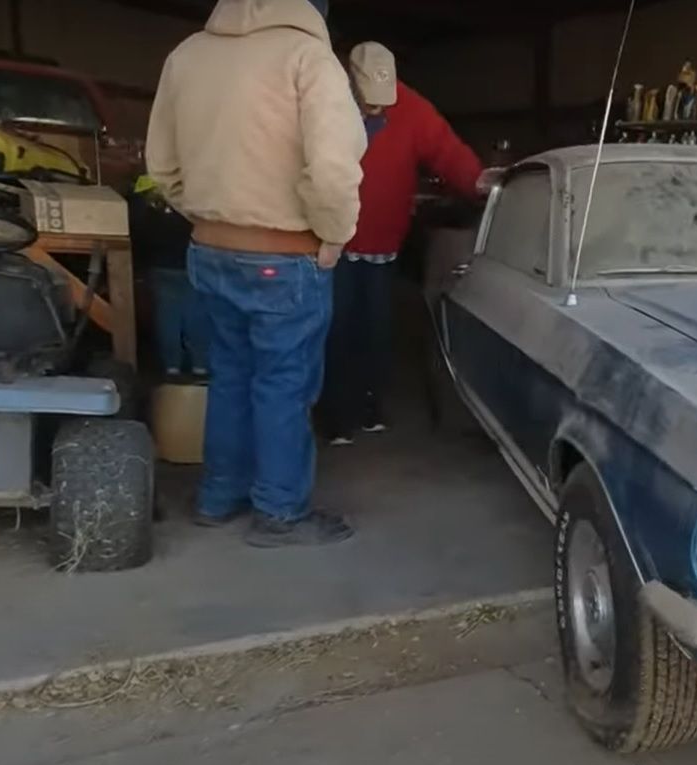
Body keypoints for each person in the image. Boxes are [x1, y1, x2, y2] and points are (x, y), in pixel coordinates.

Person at [145, 0, 367, 547]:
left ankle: (218, 498)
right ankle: (280, 513)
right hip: (286, 254)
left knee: (230, 375)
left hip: (209, 247)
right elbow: (333, 168)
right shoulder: (307, 58)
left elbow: (163, 166)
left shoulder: (187, 55)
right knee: (283, 384)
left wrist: (207, 216)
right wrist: (333, 234)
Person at [322, 41, 490, 444]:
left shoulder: (413, 108)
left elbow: (446, 150)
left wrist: (480, 182)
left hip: (383, 244)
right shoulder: (325, 100)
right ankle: (334, 418)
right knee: (335, 329)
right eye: (368, 102)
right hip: (335, 243)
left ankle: (369, 408)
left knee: (376, 329)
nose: (377, 110)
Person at [128, 174, 207, 379]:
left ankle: (171, 366)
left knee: (167, 317)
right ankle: (200, 365)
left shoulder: (144, 189)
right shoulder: (195, 187)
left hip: (159, 263)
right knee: (196, 316)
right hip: (191, 262)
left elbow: (137, 230)